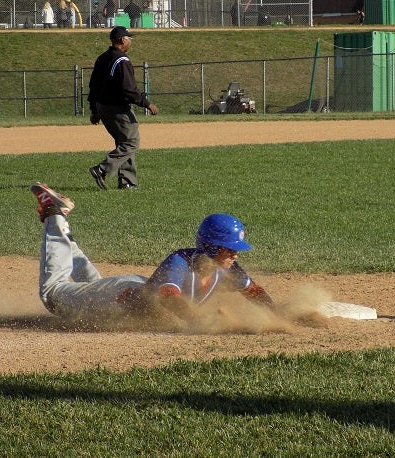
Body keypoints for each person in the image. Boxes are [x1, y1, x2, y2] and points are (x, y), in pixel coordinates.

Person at [29, 182, 274, 320]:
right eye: (230, 249)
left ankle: (66, 236)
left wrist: (277, 316)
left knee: (92, 287)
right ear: (211, 246)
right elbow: (169, 297)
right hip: (115, 299)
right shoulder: (180, 261)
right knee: (53, 294)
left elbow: (253, 290)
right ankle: (54, 214)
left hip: (129, 290)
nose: (235, 255)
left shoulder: (225, 268)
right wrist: (197, 320)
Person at [87, 26, 159, 190]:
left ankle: (127, 182)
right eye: (129, 39)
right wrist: (147, 104)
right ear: (121, 40)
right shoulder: (122, 60)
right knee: (132, 142)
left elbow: (93, 86)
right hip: (117, 108)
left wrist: (95, 110)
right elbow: (129, 89)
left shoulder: (102, 58)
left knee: (123, 141)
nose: (130, 42)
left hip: (103, 106)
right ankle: (102, 169)